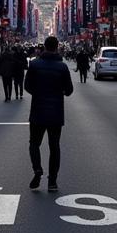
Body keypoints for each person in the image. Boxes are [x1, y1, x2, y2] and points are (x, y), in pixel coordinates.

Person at [24, 35, 74, 193]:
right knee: (54, 147)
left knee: (34, 143)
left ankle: (37, 169)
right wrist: (59, 92)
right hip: (56, 112)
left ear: (44, 47)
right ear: (57, 46)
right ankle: (52, 181)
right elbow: (69, 91)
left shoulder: (35, 64)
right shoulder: (62, 67)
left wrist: (38, 93)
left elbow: (27, 86)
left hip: (38, 109)